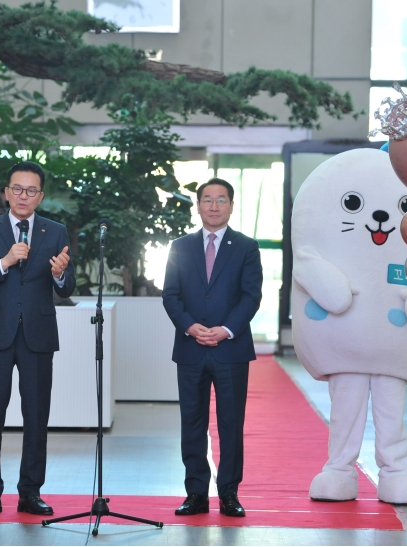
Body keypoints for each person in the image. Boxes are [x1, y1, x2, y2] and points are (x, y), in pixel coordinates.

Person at [0, 161, 75, 516]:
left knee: (36, 415)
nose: (23, 196)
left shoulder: (55, 231)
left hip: (38, 336)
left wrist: (59, 276)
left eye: (30, 190)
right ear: (6, 192)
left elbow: (68, 284)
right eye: (17, 188)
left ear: (40, 196)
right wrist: (4, 262)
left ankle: (30, 491)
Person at [162, 178, 263, 518]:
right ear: (199, 205)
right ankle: (196, 494)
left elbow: (252, 296)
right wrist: (190, 326)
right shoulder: (180, 246)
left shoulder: (246, 247)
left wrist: (226, 330)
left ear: (231, 206)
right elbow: (170, 295)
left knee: (230, 423)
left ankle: (229, 494)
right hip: (190, 348)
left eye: (221, 200)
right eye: (208, 199)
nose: (214, 206)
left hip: (230, 349)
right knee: (191, 422)